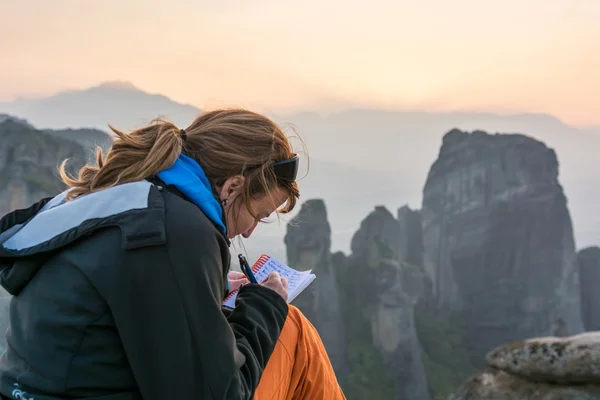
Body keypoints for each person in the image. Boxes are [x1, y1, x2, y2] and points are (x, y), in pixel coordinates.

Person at [0, 109, 346, 400]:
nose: (251, 231)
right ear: (233, 187)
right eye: (257, 214)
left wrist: (203, 285)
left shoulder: (129, 198)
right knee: (289, 327)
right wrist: (264, 304)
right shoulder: (174, 232)